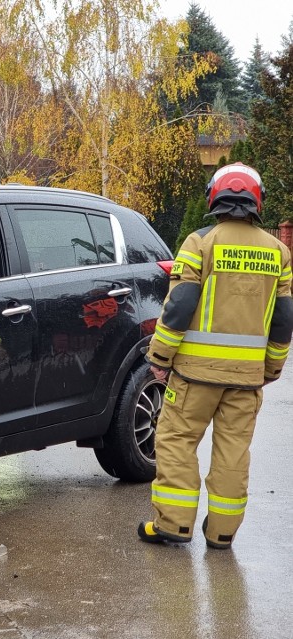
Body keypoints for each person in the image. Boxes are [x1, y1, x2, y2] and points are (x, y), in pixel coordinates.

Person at [138, 162, 293, 549]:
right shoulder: (279, 252)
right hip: (246, 378)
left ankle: (173, 524)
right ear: (257, 201)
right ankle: (222, 532)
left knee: (175, 441)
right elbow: (284, 318)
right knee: (233, 452)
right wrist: (272, 366)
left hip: (194, 376)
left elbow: (179, 306)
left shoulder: (199, 243)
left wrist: (160, 357)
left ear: (215, 197)